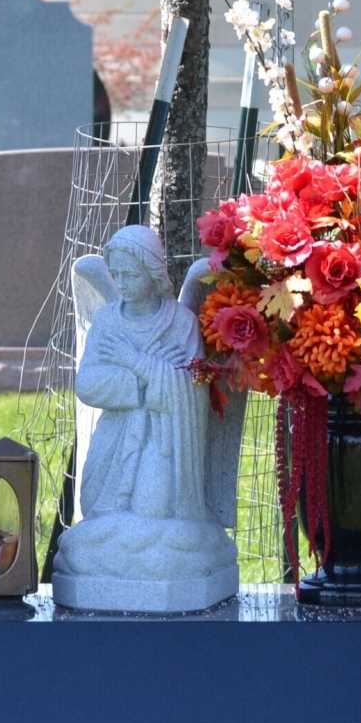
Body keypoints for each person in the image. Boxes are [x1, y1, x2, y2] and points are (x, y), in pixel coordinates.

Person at [53, 225, 237, 608]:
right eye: (116, 274)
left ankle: (169, 547)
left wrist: (133, 361)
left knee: (153, 510)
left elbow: (191, 387)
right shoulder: (106, 322)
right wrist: (143, 385)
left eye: (131, 275)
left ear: (154, 273)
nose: (122, 283)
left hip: (164, 441)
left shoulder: (180, 323)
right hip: (115, 437)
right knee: (99, 511)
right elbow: (89, 384)